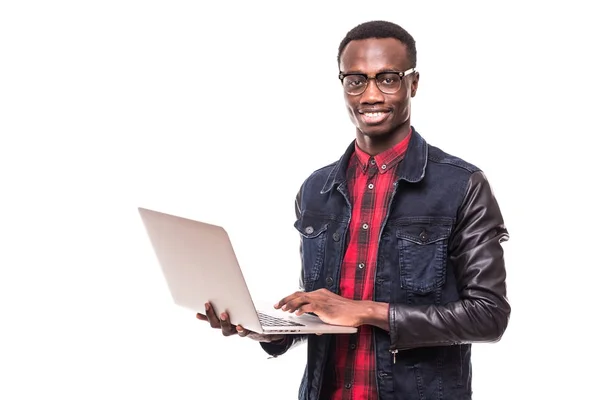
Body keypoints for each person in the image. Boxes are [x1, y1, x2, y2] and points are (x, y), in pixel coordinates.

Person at [196, 20, 510, 400]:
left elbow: (488, 316)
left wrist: (367, 311)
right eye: (356, 80)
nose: (371, 95)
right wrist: (275, 330)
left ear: (413, 84)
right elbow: (324, 312)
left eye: (388, 79)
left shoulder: (462, 186)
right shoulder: (316, 189)